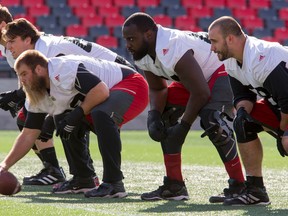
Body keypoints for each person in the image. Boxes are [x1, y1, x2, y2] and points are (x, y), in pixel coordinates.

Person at [1, 17, 135, 192]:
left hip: (117, 78)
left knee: (66, 117)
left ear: (27, 39)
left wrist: (73, 115)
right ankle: (77, 174)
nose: (8, 46)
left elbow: (60, 83)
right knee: (41, 118)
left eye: (12, 42)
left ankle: (93, 177)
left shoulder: (46, 51)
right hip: (95, 80)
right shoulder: (32, 51)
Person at [122, 12, 245, 202]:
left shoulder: (171, 46)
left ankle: (239, 185)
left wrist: (184, 126)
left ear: (148, 34)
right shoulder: (142, 52)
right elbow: (157, 89)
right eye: (126, 39)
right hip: (195, 80)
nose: (128, 44)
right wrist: (153, 115)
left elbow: (201, 93)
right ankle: (174, 184)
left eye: (131, 39)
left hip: (221, 69)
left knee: (213, 121)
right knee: (165, 116)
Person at [208, 16, 288, 206]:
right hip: (280, 106)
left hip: (286, 106)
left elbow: (287, 100)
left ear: (230, 39)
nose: (211, 48)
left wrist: (283, 131)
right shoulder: (232, 60)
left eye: (214, 41)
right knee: (242, 122)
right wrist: (241, 113)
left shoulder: (262, 57)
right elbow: (243, 96)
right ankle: (256, 191)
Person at [0, 6, 66, 186]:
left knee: (51, 122)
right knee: (25, 119)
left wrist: (17, 95)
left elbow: (42, 74)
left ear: (2, 25)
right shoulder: (10, 48)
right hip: (63, 86)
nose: (11, 44)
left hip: (80, 84)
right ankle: (52, 170)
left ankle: (82, 175)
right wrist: (18, 95)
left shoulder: (29, 46)